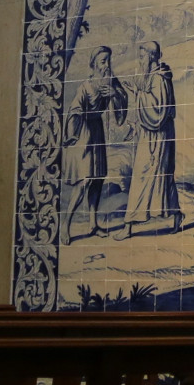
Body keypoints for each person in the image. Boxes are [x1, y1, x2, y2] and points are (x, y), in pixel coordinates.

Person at [61, 47, 127, 241]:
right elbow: (74, 110)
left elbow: (122, 107)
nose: (107, 65)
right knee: (84, 182)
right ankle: (65, 225)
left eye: (108, 61)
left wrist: (114, 94)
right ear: (94, 64)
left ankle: (93, 224)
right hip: (83, 134)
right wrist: (72, 133)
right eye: (103, 61)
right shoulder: (86, 86)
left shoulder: (111, 82)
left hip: (97, 133)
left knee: (97, 180)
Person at [121, 41, 181, 236]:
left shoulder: (159, 79)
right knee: (159, 176)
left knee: (143, 175)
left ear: (152, 56)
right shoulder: (156, 77)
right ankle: (175, 217)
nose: (140, 61)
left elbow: (157, 111)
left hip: (156, 136)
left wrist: (137, 93)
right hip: (154, 134)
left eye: (142, 56)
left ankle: (128, 227)